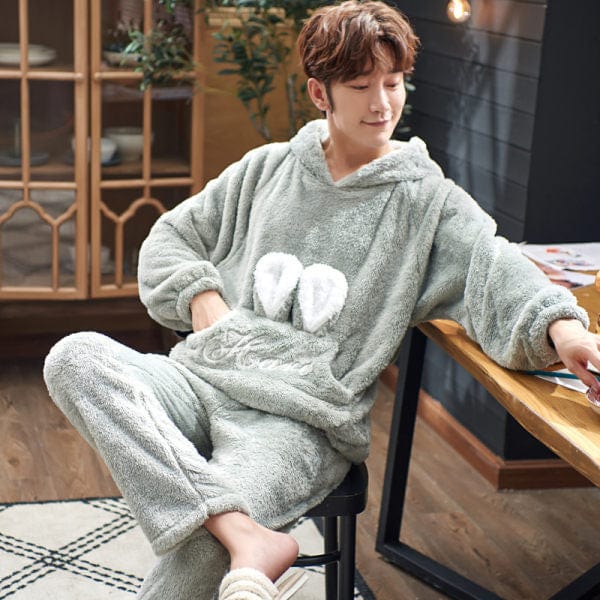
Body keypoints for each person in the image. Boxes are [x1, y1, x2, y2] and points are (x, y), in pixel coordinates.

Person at [43, 1, 600, 599]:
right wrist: (202, 297)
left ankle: (230, 533)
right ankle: (244, 534)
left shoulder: (427, 201)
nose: (381, 104)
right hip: (202, 378)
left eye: (393, 83)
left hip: (299, 421)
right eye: (360, 87)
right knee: (75, 357)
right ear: (319, 92)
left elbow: (495, 266)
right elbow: (169, 239)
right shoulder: (266, 169)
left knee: (202, 545)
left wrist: (565, 330)